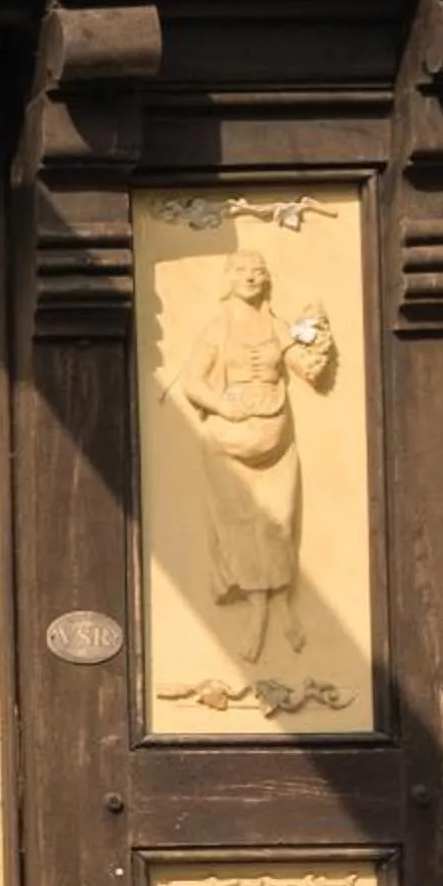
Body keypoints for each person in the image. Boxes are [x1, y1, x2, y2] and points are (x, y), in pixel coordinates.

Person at [158, 251, 335, 668]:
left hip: (276, 437)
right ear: (228, 279)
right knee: (238, 524)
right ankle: (258, 609)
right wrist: (224, 406)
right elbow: (195, 384)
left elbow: (306, 366)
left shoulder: (277, 325)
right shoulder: (218, 327)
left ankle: (282, 602)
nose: (251, 276)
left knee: (278, 520)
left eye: (258, 270)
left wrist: (319, 343)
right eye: (241, 270)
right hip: (229, 440)